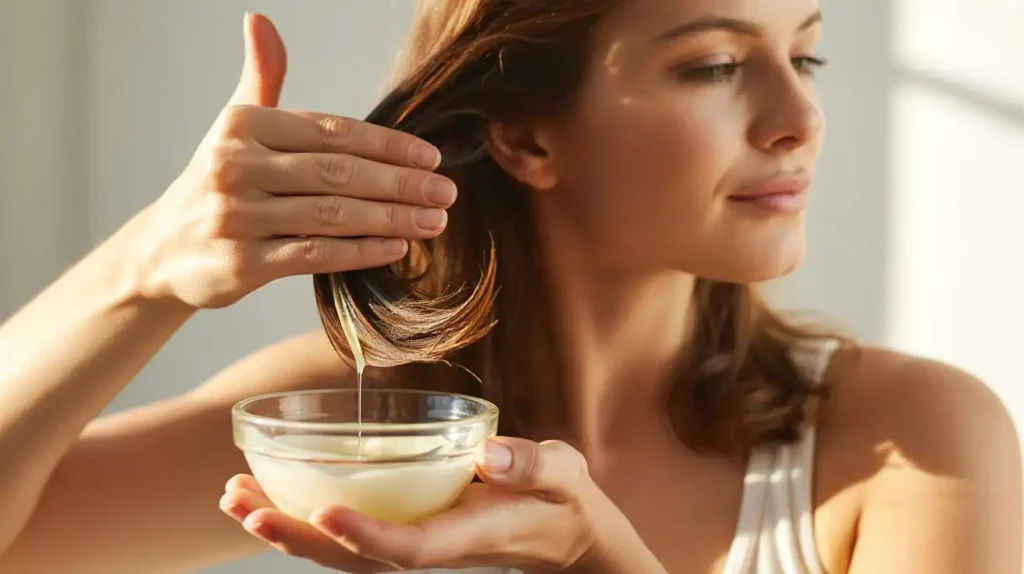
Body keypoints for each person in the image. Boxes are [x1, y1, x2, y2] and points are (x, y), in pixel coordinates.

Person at [0, 1, 1019, 573]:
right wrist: (145, 269)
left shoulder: (910, 435)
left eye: (807, 53)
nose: (800, 116)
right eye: (713, 65)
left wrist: (596, 555)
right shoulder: (374, 421)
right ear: (527, 136)